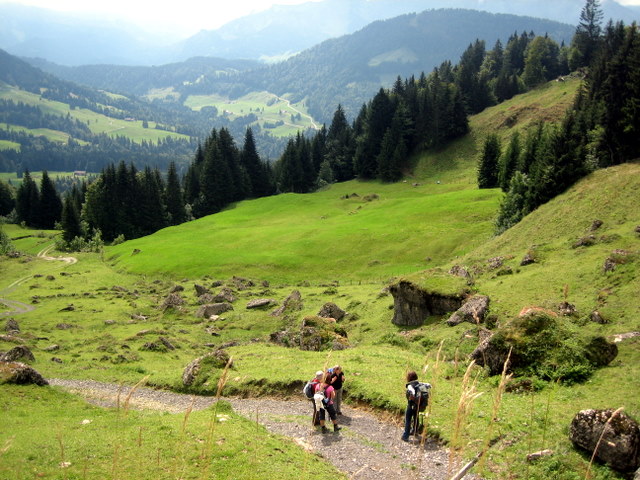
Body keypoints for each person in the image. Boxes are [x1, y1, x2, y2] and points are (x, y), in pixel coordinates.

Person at [402, 370, 420, 442]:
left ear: (409, 377)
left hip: (411, 405)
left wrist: (412, 397)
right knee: (416, 418)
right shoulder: (419, 384)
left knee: (408, 419)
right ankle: (415, 431)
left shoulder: (410, 386)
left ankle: (406, 436)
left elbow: (412, 392)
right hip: (417, 405)